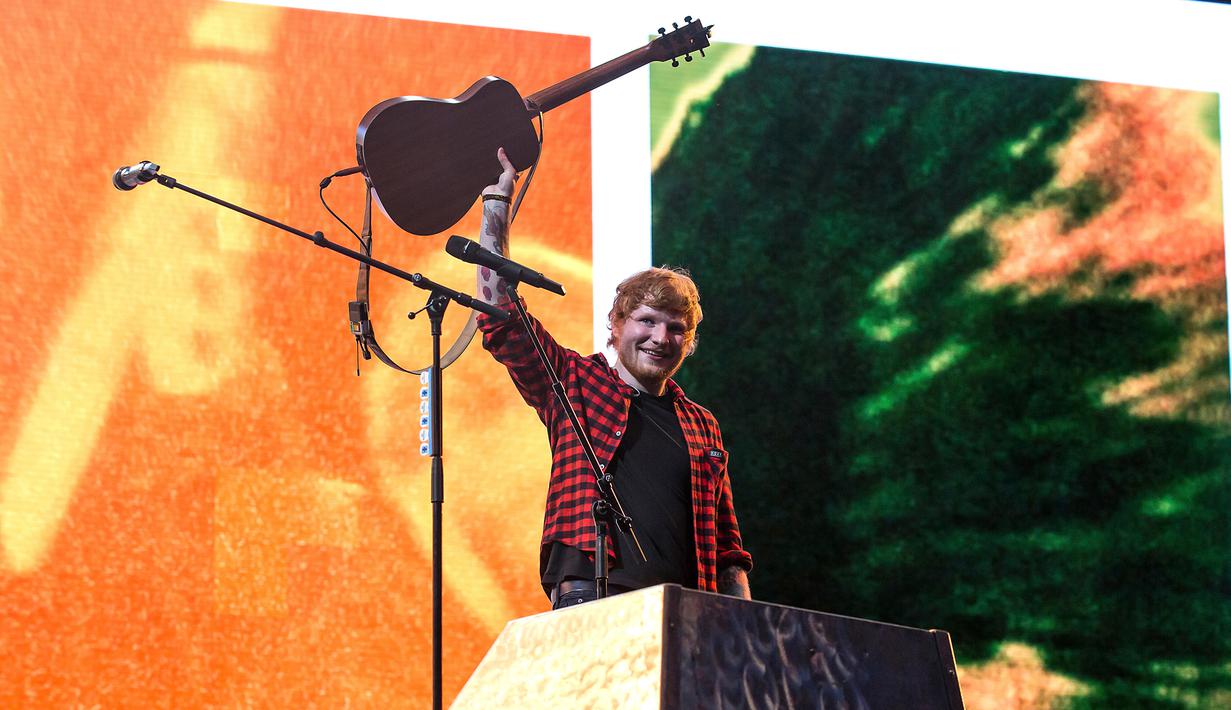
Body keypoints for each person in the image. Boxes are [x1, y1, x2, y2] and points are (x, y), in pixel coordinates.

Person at [475, 148, 752, 610]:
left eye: (676, 328)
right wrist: (496, 204)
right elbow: (500, 315)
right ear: (617, 324)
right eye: (647, 321)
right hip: (592, 598)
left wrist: (741, 627)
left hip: (687, 613)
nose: (660, 337)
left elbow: (728, 549)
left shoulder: (703, 425)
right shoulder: (575, 383)